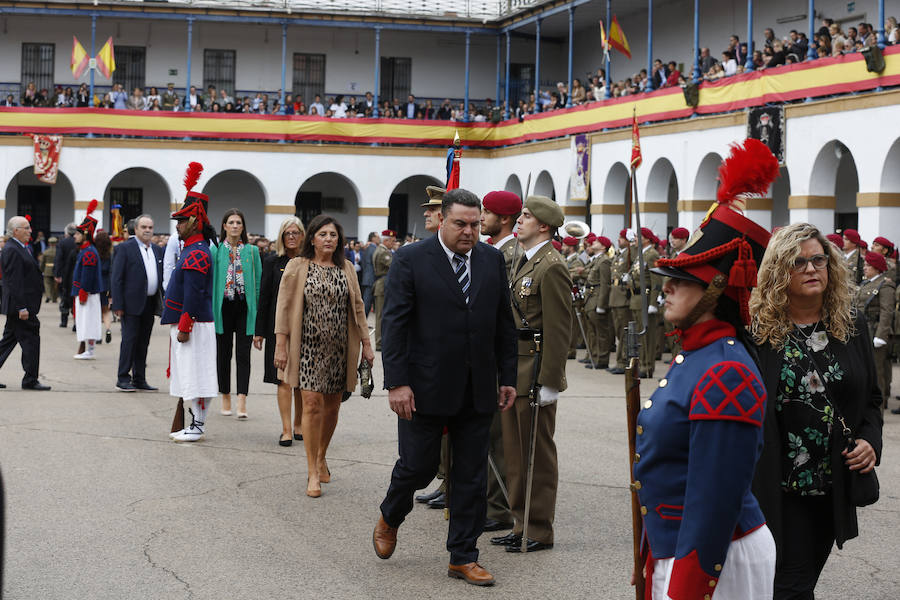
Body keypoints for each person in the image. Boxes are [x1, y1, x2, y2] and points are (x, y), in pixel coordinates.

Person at [636, 139, 779, 599]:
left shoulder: (725, 372)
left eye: (684, 280)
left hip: (715, 558)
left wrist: (688, 586)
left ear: (719, 287)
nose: (669, 290)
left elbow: (713, 501)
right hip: (676, 547)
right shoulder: (696, 357)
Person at [372, 188, 517, 586]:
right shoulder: (411, 259)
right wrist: (397, 382)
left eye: (475, 224)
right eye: (460, 223)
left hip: (478, 387)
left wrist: (507, 378)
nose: (469, 231)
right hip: (424, 387)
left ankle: (463, 556)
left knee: (471, 475)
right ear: (441, 220)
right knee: (417, 467)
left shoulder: (491, 260)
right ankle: (391, 515)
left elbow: (503, 324)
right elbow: (394, 325)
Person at [750, 222, 883, 599]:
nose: (811, 269)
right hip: (775, 486)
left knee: (794, 583)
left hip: (831, 486)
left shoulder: (851, 325)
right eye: (798, 262)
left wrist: (870, 442)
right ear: (778, 271)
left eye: (818, 260)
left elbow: (871, 400)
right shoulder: (758, 332)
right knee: (788, 585)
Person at [492, 195, 572, 554]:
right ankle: (519, 522)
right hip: (517, 368)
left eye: (526, 216)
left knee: (536, 455)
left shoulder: (551, 265)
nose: (519, 221)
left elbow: (559, 329)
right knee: (515, 453)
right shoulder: (524, 261)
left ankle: (538, 528)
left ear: (543, 225)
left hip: (536, 369)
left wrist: (551, 381)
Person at [274, 215, 373, 497]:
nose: (329, 239)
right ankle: (312, 471)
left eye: (333, 234)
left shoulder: (348, 268)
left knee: (332, 407)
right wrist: (281, 346)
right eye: (323, 234)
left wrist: (366, 344)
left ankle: (321, 454)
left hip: (340, 348)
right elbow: (283, 308)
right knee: (312, 404)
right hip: (307, 347)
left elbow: (358, 307)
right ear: (313, 238)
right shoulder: (297, 266)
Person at [164, 162, 218, 443]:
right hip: (191, 323)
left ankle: (197, 425)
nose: (178, 226)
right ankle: (194, 422)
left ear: (195, 221)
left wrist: (185, 325)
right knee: (191, 374)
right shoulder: (193, 249)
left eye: (182, 221)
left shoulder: (196, 252)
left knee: (196, 375)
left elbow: (194, 294)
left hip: (193, 324)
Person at [479, 189, 523, 531]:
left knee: (499, 438)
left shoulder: (508, 254)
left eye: (486, 212)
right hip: (487, 353)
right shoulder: (496, 250)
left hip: (498, 354)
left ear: (503, 219)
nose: (481, 218)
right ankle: (490, 501)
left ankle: (499, 508)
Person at [254, 216, 305, 446]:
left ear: (303, 235)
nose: (292, 237)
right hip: (279, 329)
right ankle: (286, 429)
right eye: (288, 233)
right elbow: (263, 297)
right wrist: (259, 331)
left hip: (305, 327)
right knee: (283, 379)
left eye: (296, 233)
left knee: (302, 381)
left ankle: (299, 425)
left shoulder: (309, 261)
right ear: (282, 237)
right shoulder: (273, 262)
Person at [212, 209, 261, 419]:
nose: (234, 226)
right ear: (224, 226)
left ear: (243, 227)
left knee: (243, 355)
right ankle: (225, 395)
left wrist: (257, 313)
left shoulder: (252, 252)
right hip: (223, 307)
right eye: (230, 222)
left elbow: (258, 283)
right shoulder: (215, 251)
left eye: (238, 222)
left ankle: (242, 399)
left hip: (244, 307)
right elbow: (211, 282)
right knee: (223, 354)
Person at [110, 214, 163, 392]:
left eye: (150, 227)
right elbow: (117, 278)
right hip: (130, 303)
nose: (147, 230)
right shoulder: (125, 248)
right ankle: (123, 377)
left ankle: (140, 378)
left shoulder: (156, 250)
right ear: (136, 229)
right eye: (144, 227)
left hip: (149, 303)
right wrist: (117, 304)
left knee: (143, 342)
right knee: (129, 341)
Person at [0, 216, 50, 390]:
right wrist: (22, 307)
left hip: (21, 305)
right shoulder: (12, 249)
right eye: (26, 228)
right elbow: (15, 282)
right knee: (31, 341)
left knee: (8, 341)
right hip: (20, 307)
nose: (30, 231)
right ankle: (30, 379)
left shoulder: (20, 247)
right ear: (16, 231)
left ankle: (30, 378)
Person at [856, 251, 895, 412]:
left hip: (875, 332)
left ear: (877, 268)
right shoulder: (866, 284)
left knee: (877, 374)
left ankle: (877, 413)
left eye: (868, 265)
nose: (864, 268)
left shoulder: (884, 285)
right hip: (863, 331)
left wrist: (881, 335)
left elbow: (887, 311)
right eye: (864, 265)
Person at [71, 201, 104, 360]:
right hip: (85, 293)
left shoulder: (89, 252)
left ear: (84, 234)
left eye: (77, 233)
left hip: (87, 293)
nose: (75, 236)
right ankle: (87, 348)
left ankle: (89, 350)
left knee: (88, 322)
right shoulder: (85, 251)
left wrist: (83, 292)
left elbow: (87, 276)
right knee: (85, 321)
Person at [608, 229, 635, 375]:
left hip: (623, 296)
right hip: (615, 294)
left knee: (624, 332)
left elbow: (636, 258)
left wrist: (633, 244)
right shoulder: (620, 254)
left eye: (622, 238)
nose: (618, 240)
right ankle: (620, 360)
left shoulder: (630, 253)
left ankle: (623, 361)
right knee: (619, 331)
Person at [583, 235, 612, 370]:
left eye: (597, 242)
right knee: (593, 331)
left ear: (603, 247)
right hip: (590, 298)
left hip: (596, 300)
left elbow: (605, 284)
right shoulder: (597, 260)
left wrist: (601, 304)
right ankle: (595, 357)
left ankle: (602, 359)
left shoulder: (604, 261)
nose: (593, 243)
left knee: (601, 332)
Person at [373, 229, 395, 351]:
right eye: (392, 241)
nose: (394, 243)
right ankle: (379, 342)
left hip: (383, 283)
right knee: (381, 315)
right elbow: (393, 265)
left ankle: (381, 341)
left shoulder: (384, 250)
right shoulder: (383, 252)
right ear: (385, 240)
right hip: (382, 284)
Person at [54, 223, 77, 328]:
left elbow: (58, 259)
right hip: (76, 274)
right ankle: (76, 322)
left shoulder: (62, 243)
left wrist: (57, 274)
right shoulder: (78, 242)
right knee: (75, 299)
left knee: (64, 297)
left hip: (64, 274)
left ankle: (64, 321)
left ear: (66, 232)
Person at [94, 229, 114, 344]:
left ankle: (98, 335)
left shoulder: (94, 253)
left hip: (96, 285)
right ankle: (107, 329)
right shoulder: (110, 254)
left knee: (96, 311)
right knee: (105, 310)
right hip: (106, 285)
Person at [360, 232, 379, 316]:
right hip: (372, 278)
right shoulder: (373, 248)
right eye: (377, 237)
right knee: (367, 302)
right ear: (373, 238)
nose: (379, 238)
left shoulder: (368, 248)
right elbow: (376, 264)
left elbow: (363, 263)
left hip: (368, 277)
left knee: (367, 301)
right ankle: (361, 324)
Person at [40, 236, 58, 303]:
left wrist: (41, 270)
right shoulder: (58, 251)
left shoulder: (46, 252)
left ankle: (48, 296)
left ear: (49, 243)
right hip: (56, 269)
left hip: (47, 269)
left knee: (47, 284)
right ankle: (54, 298)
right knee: (55, 285)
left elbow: (42, 262)